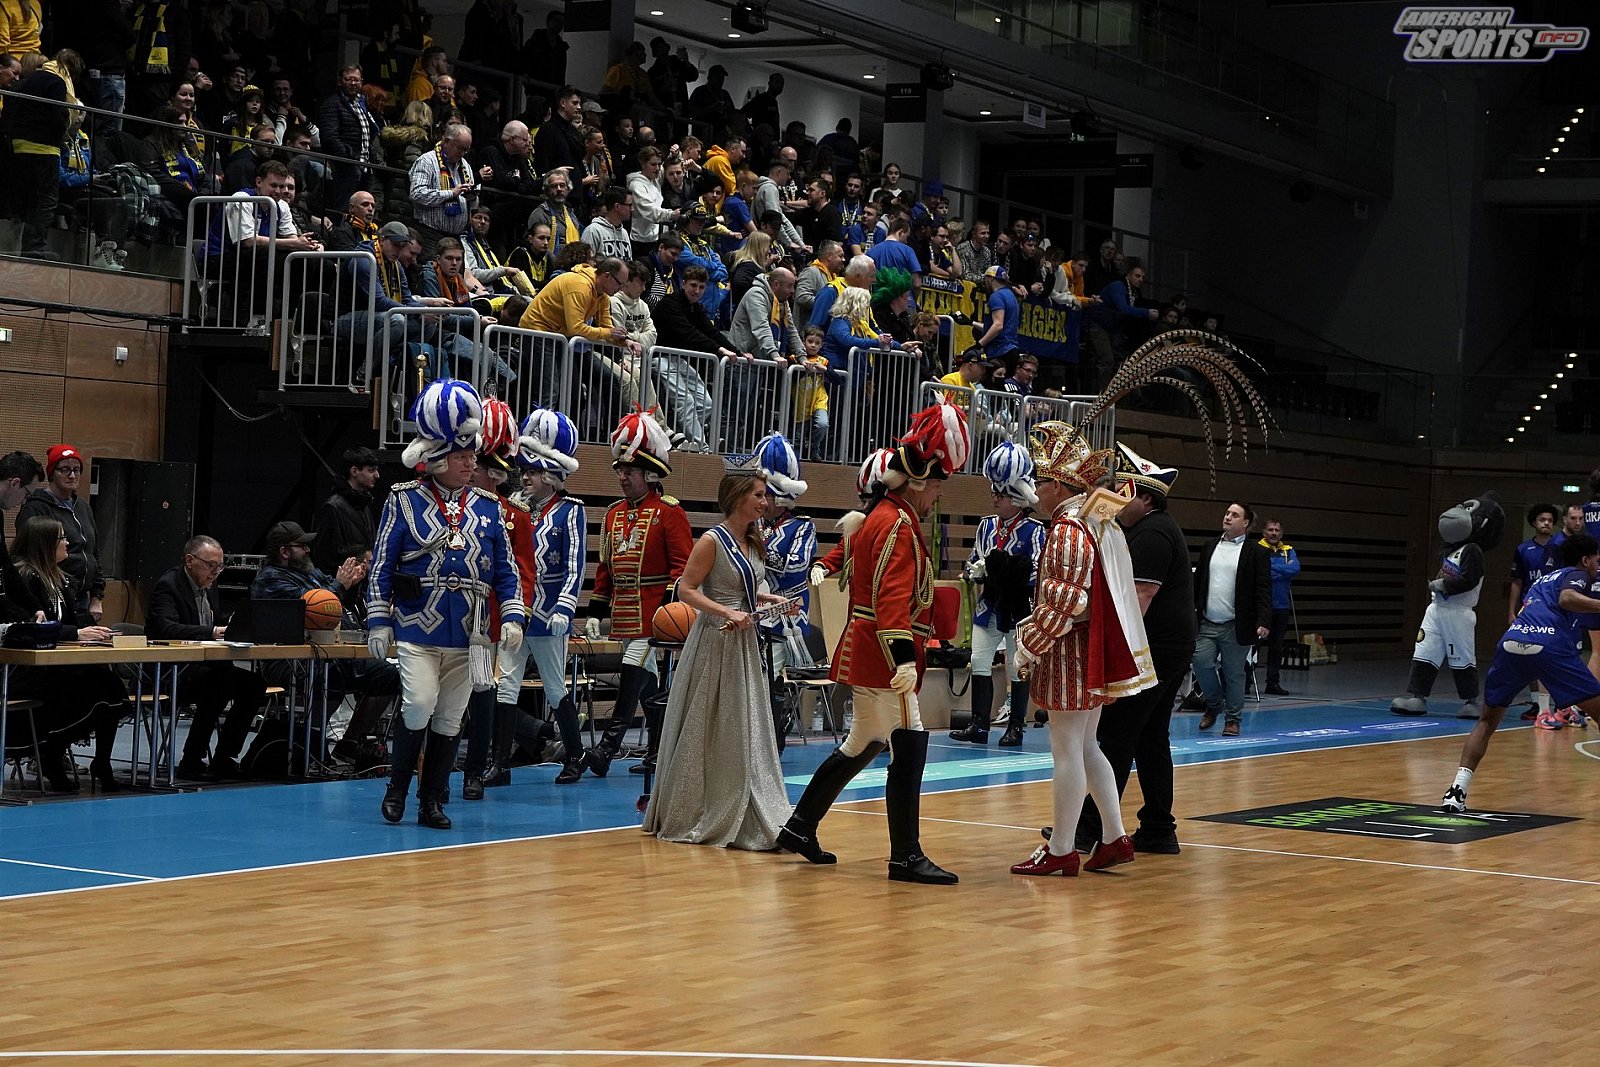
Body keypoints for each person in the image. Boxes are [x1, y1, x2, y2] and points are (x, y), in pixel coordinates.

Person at [778, 402, 971, 885]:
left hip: (867, 649)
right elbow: (891, 598)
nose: (937, 497)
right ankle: (905, 856)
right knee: (910, 741)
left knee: (862, 741)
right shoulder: (898, 524)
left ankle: (800, 826)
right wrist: (904, 658)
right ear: (919, 483)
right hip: (886, 655)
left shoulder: (881, 516)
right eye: (937, 486)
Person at [367, 380, 526, 829]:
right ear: (437, 458)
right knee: (419, 704)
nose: (471, 463)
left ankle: (432, 800)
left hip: (470, 633)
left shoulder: (490, 507)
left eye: (472, 455)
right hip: (417, 624)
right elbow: (382, 564)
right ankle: (397, 788)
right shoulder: (403, 500)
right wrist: (378, 620)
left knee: (451, 717)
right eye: (461, 456)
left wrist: (512, 614)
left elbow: (507, 570)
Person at [1008, 422, 1156, 877]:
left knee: (1068, 751)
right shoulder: (1096, 522)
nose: (1036, 491)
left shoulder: (1069, 527)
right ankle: (1114, 837)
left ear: (1057, 485)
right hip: (1088, 651)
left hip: (1069, 654)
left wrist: (1028, 645)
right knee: (1088, 746)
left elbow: (1066, 601)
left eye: (1040, 483)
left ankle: (1062, 849)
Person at [644, 470, 795, 848]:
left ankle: (745, 801)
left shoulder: (752, 540)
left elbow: (745, 592)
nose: (765, 502)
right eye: (758, 495)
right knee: (711, 721)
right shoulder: (713, 540)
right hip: (715, 639)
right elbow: (686, 590)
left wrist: (770, 600)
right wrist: (726, 612)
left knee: (741, 722)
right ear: (738, 497)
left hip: (743, 641)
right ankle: (700, 807)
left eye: (765, 496)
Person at [1073, 443, 1194, 856]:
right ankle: (1158, 828)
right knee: (1150, 737)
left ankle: (1091, 828)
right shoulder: (1152, 528)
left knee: (1117, 731)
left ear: (1144, 498)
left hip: (1155, 647)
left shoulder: (1152, 533)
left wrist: (1114, 651)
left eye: (1123, 493)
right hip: (1170, 645)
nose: (1116, 501)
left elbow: (1139, 598)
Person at [1440, 534, 1600, 814]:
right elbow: (1567, 598)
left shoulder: (1543, 580)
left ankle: (1457, 791)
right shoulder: (1578, 575)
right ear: (1585, 560)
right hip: (1548, 645)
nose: (1598, 566)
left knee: (1487, 721)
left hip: (1511, 643)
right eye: (1597, 561)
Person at [583, 411, 694, 777]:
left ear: (649, 473)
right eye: (620, 470)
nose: (622, 477)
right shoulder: (613, 514)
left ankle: (606, 749)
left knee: (632, 672)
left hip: (655, 616)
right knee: (647, 688)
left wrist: (667, 611)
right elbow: (605, 568)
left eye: (629, 471)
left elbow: (682, 568)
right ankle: (660, 753)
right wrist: (596, 612)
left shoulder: (669, 513)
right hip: (624, 615)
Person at [502, 408, 591, 783]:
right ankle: (499, 763)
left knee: (555, 688)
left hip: (548, 615)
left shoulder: (570, 511)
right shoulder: (514, 509)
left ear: (552, 475)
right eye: (524, 469)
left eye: (534, 471)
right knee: (505, 686)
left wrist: (565, 609)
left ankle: (575, 755)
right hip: (516, 613)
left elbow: (574, 564)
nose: (525, 476)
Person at [7, 515, 128, 792]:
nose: (68, 543)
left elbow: (71, 621)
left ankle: (101, 762)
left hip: (57, 664)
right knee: (90, 689)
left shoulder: (60, 581)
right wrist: (76, 634)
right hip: (27, 670)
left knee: (109, 684)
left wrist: (97, 631)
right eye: (62, 538)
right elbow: (29, 627)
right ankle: (51, 753)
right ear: (45, 544)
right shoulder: (25, 579)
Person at [147, 535, 271, 780]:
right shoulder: (168, 585)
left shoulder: (210, 584)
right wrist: (213, 632)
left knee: (254, 685)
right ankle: (191, 760)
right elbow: (167, 628)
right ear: (189, 560)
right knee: (219, 683)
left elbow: (212, 621)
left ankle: (225, 757)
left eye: (220, 566)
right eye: (211, 565)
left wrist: (236, 625)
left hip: (206, 667)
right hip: (171, 671)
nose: (216, 572)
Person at [951, 441, 1046, 748]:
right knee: (979, 659)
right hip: (989, 603)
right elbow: (973, 559)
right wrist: (974, 571)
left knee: (1016, 666)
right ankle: (978, 724)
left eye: (1001, 494)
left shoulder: (1034, 530)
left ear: (1017, 497)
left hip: (1018, 608)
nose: (995, 498)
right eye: (993, 492)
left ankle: (1016, 726)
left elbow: (1037, 571)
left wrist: (1007, 571)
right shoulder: (986, 526)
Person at [1192, 502, 1272, 737]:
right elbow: (1198, 583)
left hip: (1236, 624)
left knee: (1234, 673)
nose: (1227, 517)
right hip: (1207, 621)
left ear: (1246, 523)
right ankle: (1214, 704)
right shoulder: (1209, 547)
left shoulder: (1256, 552)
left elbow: (1263, 589)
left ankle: (1233, 719)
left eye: (1234, 515)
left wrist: (1263, 620)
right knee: (1200, 662)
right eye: (1227, 513)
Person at [18, 444, 104, 624]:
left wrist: (97, 596)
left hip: (83, 598)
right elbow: (30, 555)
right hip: (52, 594)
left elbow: (94, 553)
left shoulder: (83, 507)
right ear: (52, 473)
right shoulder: (35, 507)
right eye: (65, 470)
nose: (72, 475)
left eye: (76, 470)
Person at [1507, 503, 1565, 722]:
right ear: (1533, 522)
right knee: (1529, 654)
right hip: (1529, 609)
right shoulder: (1523, 550)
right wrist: (1511, 611)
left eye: (1550, 520)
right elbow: (1517, 581)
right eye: (1542, 520)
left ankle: (1561, 704)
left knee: (1554, 655)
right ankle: (1536, 704)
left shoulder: (1560, 547)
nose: (1546, 523)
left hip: (1554, 609)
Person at [312, 446, 379, 574]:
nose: (377, 475)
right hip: (342, 582)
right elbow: (325, 556)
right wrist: (362, 553)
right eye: (371, 470)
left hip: (362, 580)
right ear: (354, 471)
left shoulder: (364, 504)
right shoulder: (333, 507)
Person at [1259, 519, 1300, 697]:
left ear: (1281, 533)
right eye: (1270, 530)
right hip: (1262, 606)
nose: (1274, 533)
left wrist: (1272, 568)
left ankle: (1272, 683)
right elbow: (1261, 574)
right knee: (1254, 646)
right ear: (1264, 532)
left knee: (1276, 647)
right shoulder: (1257, 549)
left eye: (1277, 530)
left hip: (1282, 606)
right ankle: (1246, 682)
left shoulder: (1288, 550)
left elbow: (1295, 569)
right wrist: (1284, 570)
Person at [975, 264, 1022, 371]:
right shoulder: (1011, 296)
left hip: (999, 351)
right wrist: (971, 322)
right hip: (1011, 349)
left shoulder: (996, 297)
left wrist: (980, 344)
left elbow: (998, 326)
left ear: (990, 279)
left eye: (986, 278)